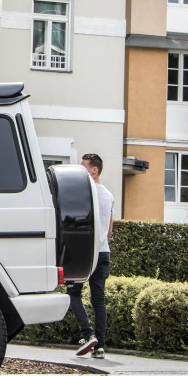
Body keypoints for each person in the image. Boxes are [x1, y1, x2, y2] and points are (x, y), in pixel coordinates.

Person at [71, 153, 114, 358]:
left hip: (84, 253)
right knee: (99, 300)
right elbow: (109, 231)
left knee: (73, 294)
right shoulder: (109, 195)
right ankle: (100, 346)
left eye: (84, 167)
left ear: (94, 170)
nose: (81, 171)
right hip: (103, 251)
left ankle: (88, 335)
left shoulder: (85, 193)